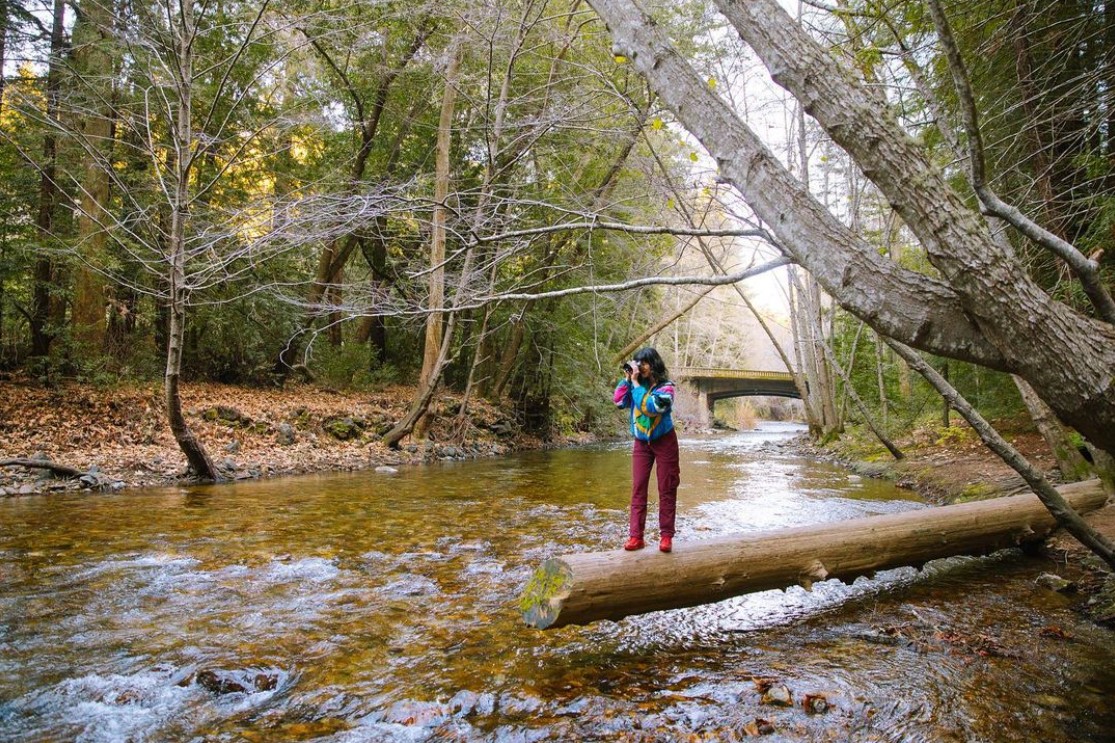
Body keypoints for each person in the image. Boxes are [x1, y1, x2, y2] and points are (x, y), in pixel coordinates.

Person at [612, 347, 680, 553]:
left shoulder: (667, 388)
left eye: (643, 363)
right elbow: (618, 401)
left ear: (654, 365)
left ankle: (666, 536)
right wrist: (627, 380)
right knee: (638, 488)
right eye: (636, 363)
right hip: (641, 442)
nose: (639, 367)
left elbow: (652, 408)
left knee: (666, 487)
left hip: (664, 440)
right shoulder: (634, 385)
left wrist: (634, 384)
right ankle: (636, 537)